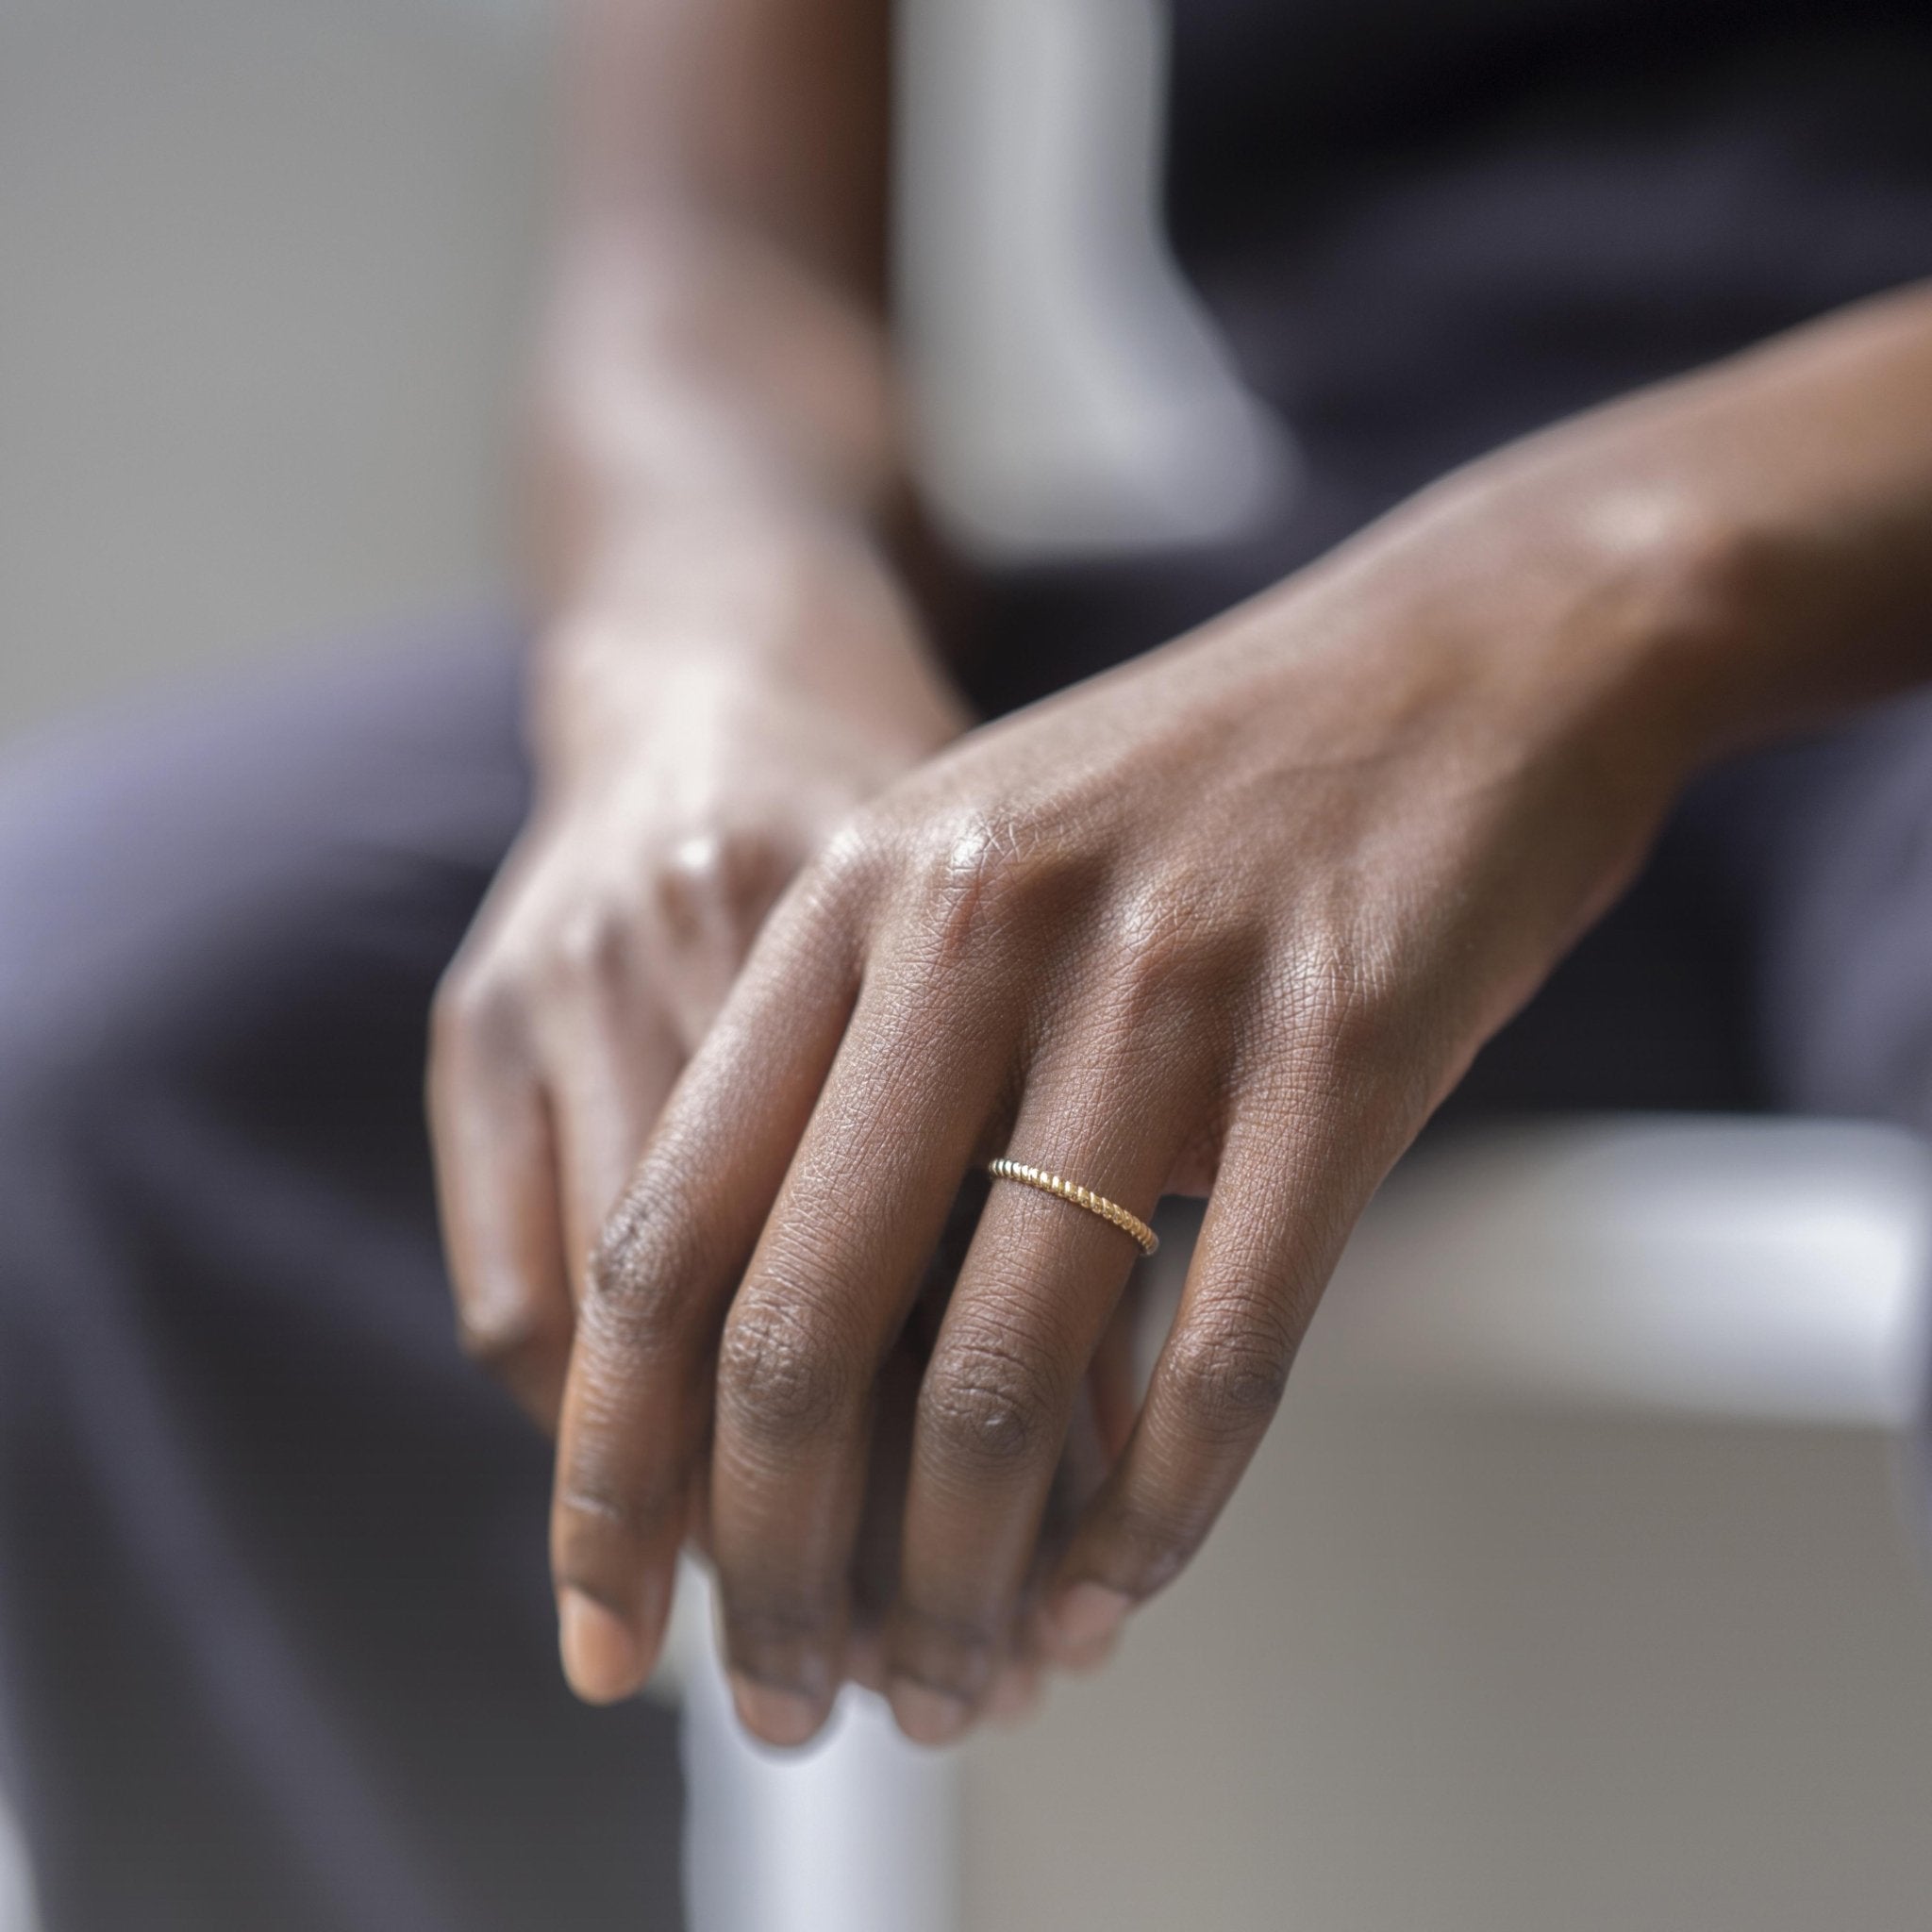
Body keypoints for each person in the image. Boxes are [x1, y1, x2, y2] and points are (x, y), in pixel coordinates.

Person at [5, 0, 1932, 1924]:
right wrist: (714, 641)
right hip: (1356, 569)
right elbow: (713, 253)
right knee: (106, 1012)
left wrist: (1572, 589)